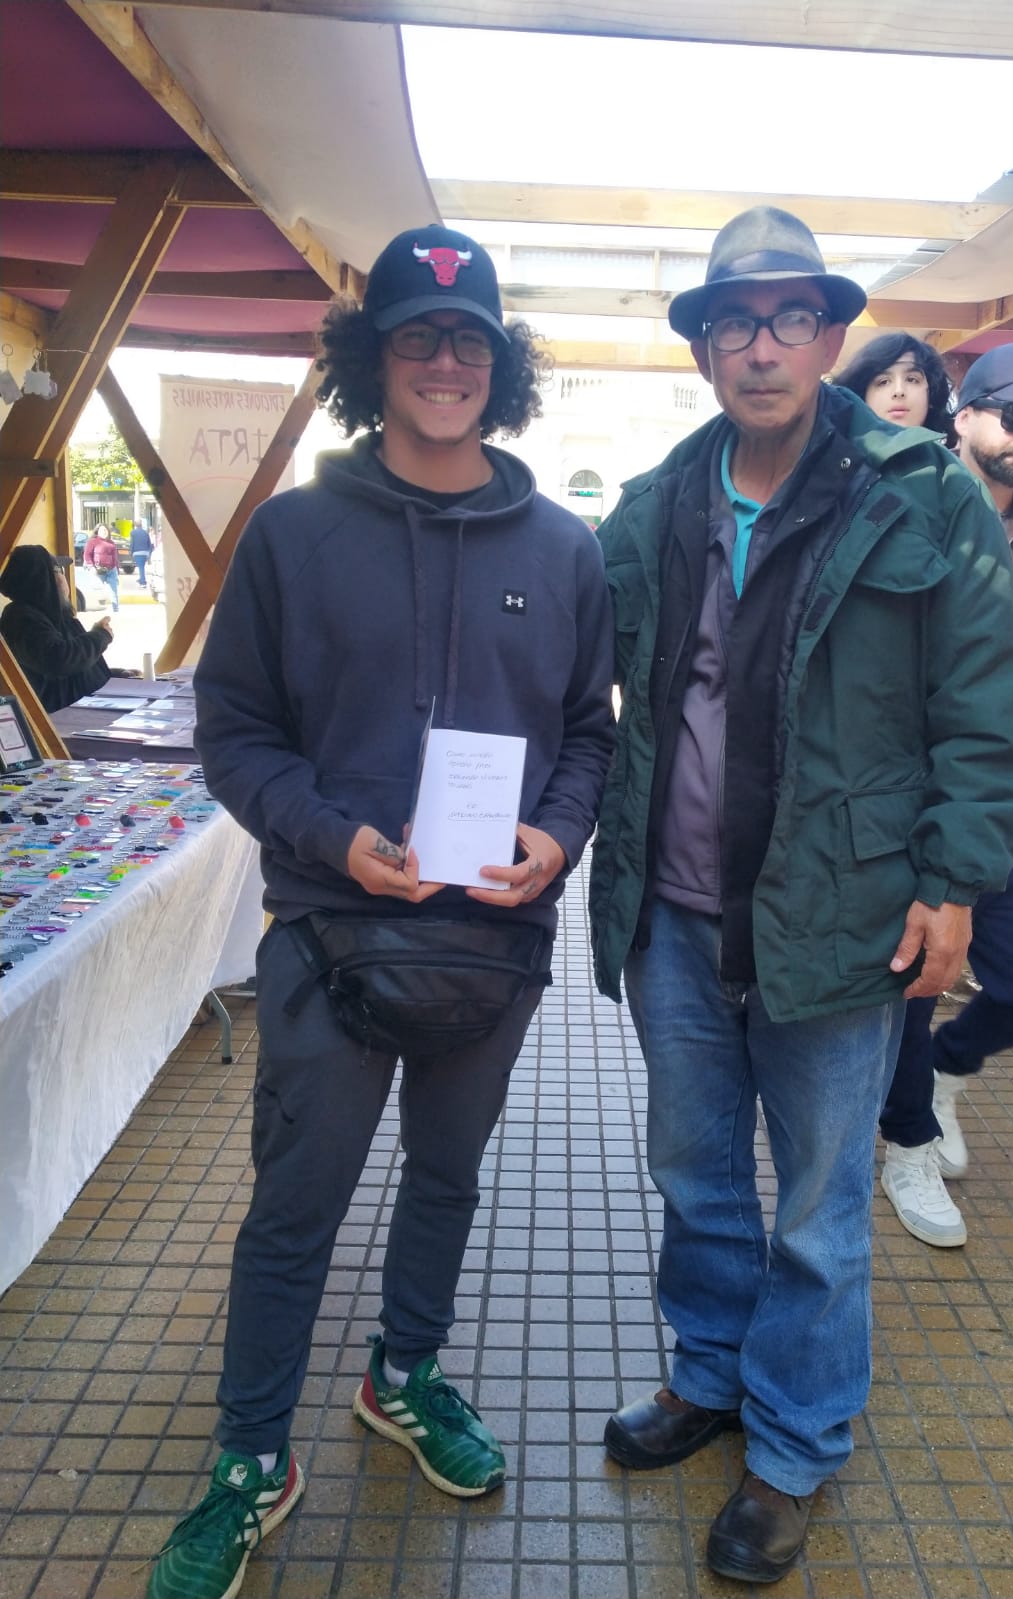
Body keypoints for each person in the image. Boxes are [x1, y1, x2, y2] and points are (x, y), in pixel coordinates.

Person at [147, 225, 614, 1599]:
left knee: (448, 1176)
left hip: (493, 938)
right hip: (326, 933)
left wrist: (556, 836)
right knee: (295, 1205)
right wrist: (332, 837)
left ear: (502, 367)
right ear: (373, 357)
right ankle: (251, 1457)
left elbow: (590, 733)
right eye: (418, 335)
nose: (445, 361)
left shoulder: (564, 548)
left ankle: (404, 1374)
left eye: (470, 340)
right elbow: (234, 731)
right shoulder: (293, 536)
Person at [589, 207, 1013, 1585]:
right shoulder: (657, 500)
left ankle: (793, 1444)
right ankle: (710, 1374)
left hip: (843, 916)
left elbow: (990, 704)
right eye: (735, 321)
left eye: (791, 318)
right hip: (676, 913)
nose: (762, 346)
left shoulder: (921, 491)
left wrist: (956, 883)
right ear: (704, 348)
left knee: (819, 1205)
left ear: (831, 336)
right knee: (693, 1172)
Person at [878, 342, 1013, 1244]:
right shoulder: (907, 503)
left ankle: (948, 1066)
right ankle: (907, 1142)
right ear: (963, 413)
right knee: (916, 973)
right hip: (913, 787)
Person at [833, 333, 970, 1247]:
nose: (897, 393)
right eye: (880, 378)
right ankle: (905, 1132)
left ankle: (915, 1122)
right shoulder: (840, 482)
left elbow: (992, 680)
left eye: (913, 379)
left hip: (963, 788)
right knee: (892, 980)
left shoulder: (962, 500)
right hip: (863, 797)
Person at [0, 545, 112, 711]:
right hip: (57, 716)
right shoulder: (21, 617)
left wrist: (113, 675)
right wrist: (99, 637)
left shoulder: (55, 615)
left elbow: (78, 665)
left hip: (83, 707)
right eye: (60, 571)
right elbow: (59, 659)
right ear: (45, 578)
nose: (64, 579)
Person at [833, 331, 954, 437]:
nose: (899, 391)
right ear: (862, 396)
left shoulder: (943, 457)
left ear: (931, 394)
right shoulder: (836, 454)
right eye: (883, 382)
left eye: (912, 380)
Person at [82, 523, 120, 611]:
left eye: (106, 530)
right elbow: (87, 555)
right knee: (98, 590)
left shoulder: (111, 543)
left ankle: (116, 609)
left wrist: (117, 569)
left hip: (111, 570)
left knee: (114, 591)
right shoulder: (93, 541)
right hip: (98, 570)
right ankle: (97, 609)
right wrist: (91, 567)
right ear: (97, 531)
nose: (104, 532)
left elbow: (115, 557)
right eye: (102, 530)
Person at [129, 520, 152, 586]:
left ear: (135, 525)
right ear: (141, 524)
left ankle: (143, 582)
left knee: (141, 567)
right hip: (145, 553)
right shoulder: (146, 532)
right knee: (141, 566)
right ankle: (141, 578)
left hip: (137, 552)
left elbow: (132, 543)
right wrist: (149, 553)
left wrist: (131, 551)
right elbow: (149, 543)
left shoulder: (133, 532)